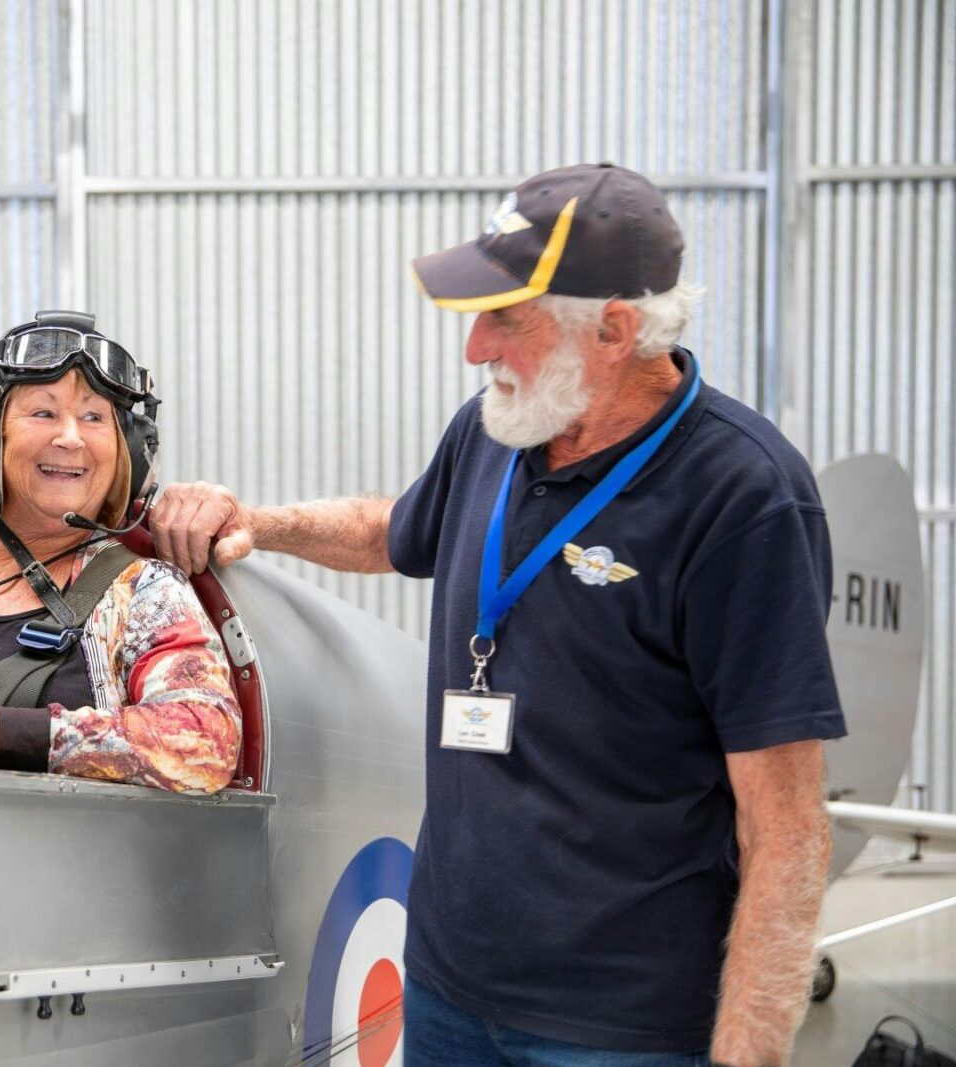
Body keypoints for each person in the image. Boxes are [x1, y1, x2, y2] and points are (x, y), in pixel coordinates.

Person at [149, 164, 844, 1066]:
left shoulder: (744, 498)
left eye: (507, 318)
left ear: (615, 328)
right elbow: (392, 529)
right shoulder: (498, 430)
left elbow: (788, 827)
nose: (475, 348)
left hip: (623, 1027)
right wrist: (262, 523)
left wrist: (748, 1056)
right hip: (446, 989)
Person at [0, 310, 241, 795]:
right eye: (43, 412)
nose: (69, 437)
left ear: (127, 450)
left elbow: (204, 740)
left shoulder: (144, 592)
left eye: (92, 417)